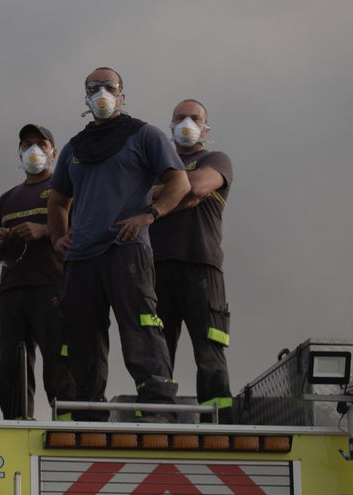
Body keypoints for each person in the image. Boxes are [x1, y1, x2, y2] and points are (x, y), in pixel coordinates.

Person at [47, 66, 191, 422]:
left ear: (122, 95)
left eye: (108, 87)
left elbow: (180, 183)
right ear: (86, 98)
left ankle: (157, 406)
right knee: (83, 335)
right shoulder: (74, 148)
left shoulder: (144, 136)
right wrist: (57, 237)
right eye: (93, 89)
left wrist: (151, 214)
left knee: (140, 324)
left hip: (126, 249)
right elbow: (57, 200)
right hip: (81, 257)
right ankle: (90, 412)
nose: (101, 94)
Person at [149, 99, 233, 423]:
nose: (187, 123)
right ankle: (158, 417)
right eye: (180, 118)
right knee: (157, 350)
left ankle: (220, 422)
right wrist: (173, 192)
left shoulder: (215, 159)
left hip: (202, 267)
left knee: (209, 352)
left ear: (206, 128)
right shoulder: (156, 165)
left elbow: (197, 186)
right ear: (170, 126)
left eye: (194, 118)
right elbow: (133, 194)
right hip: (155, 270)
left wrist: (155, 194)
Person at [0, 124, 75, 420]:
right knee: (12, 365)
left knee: (59, 360)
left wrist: (44, 229)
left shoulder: (64, 190)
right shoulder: (7, 198)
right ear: (19, 153)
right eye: (27, 144)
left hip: (52, 285)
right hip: (11, 291)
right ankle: (16, 422)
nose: (33, 150)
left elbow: (83, 230)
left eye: (40, 143)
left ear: (53, 152)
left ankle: (66, 422)